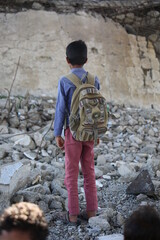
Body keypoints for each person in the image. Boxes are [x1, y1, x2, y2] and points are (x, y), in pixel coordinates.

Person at [54, 40, 100, 225]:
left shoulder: (65, 81)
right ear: (86, 59)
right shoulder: (93, 79)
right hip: (89, 133)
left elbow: (60, 109)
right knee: (89, 171)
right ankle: (92, 213)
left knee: (71, 173)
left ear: (67, 60)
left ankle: (72, 214)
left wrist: (58, 133)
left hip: (72, 133)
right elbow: (97, 109)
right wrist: (96, 134)